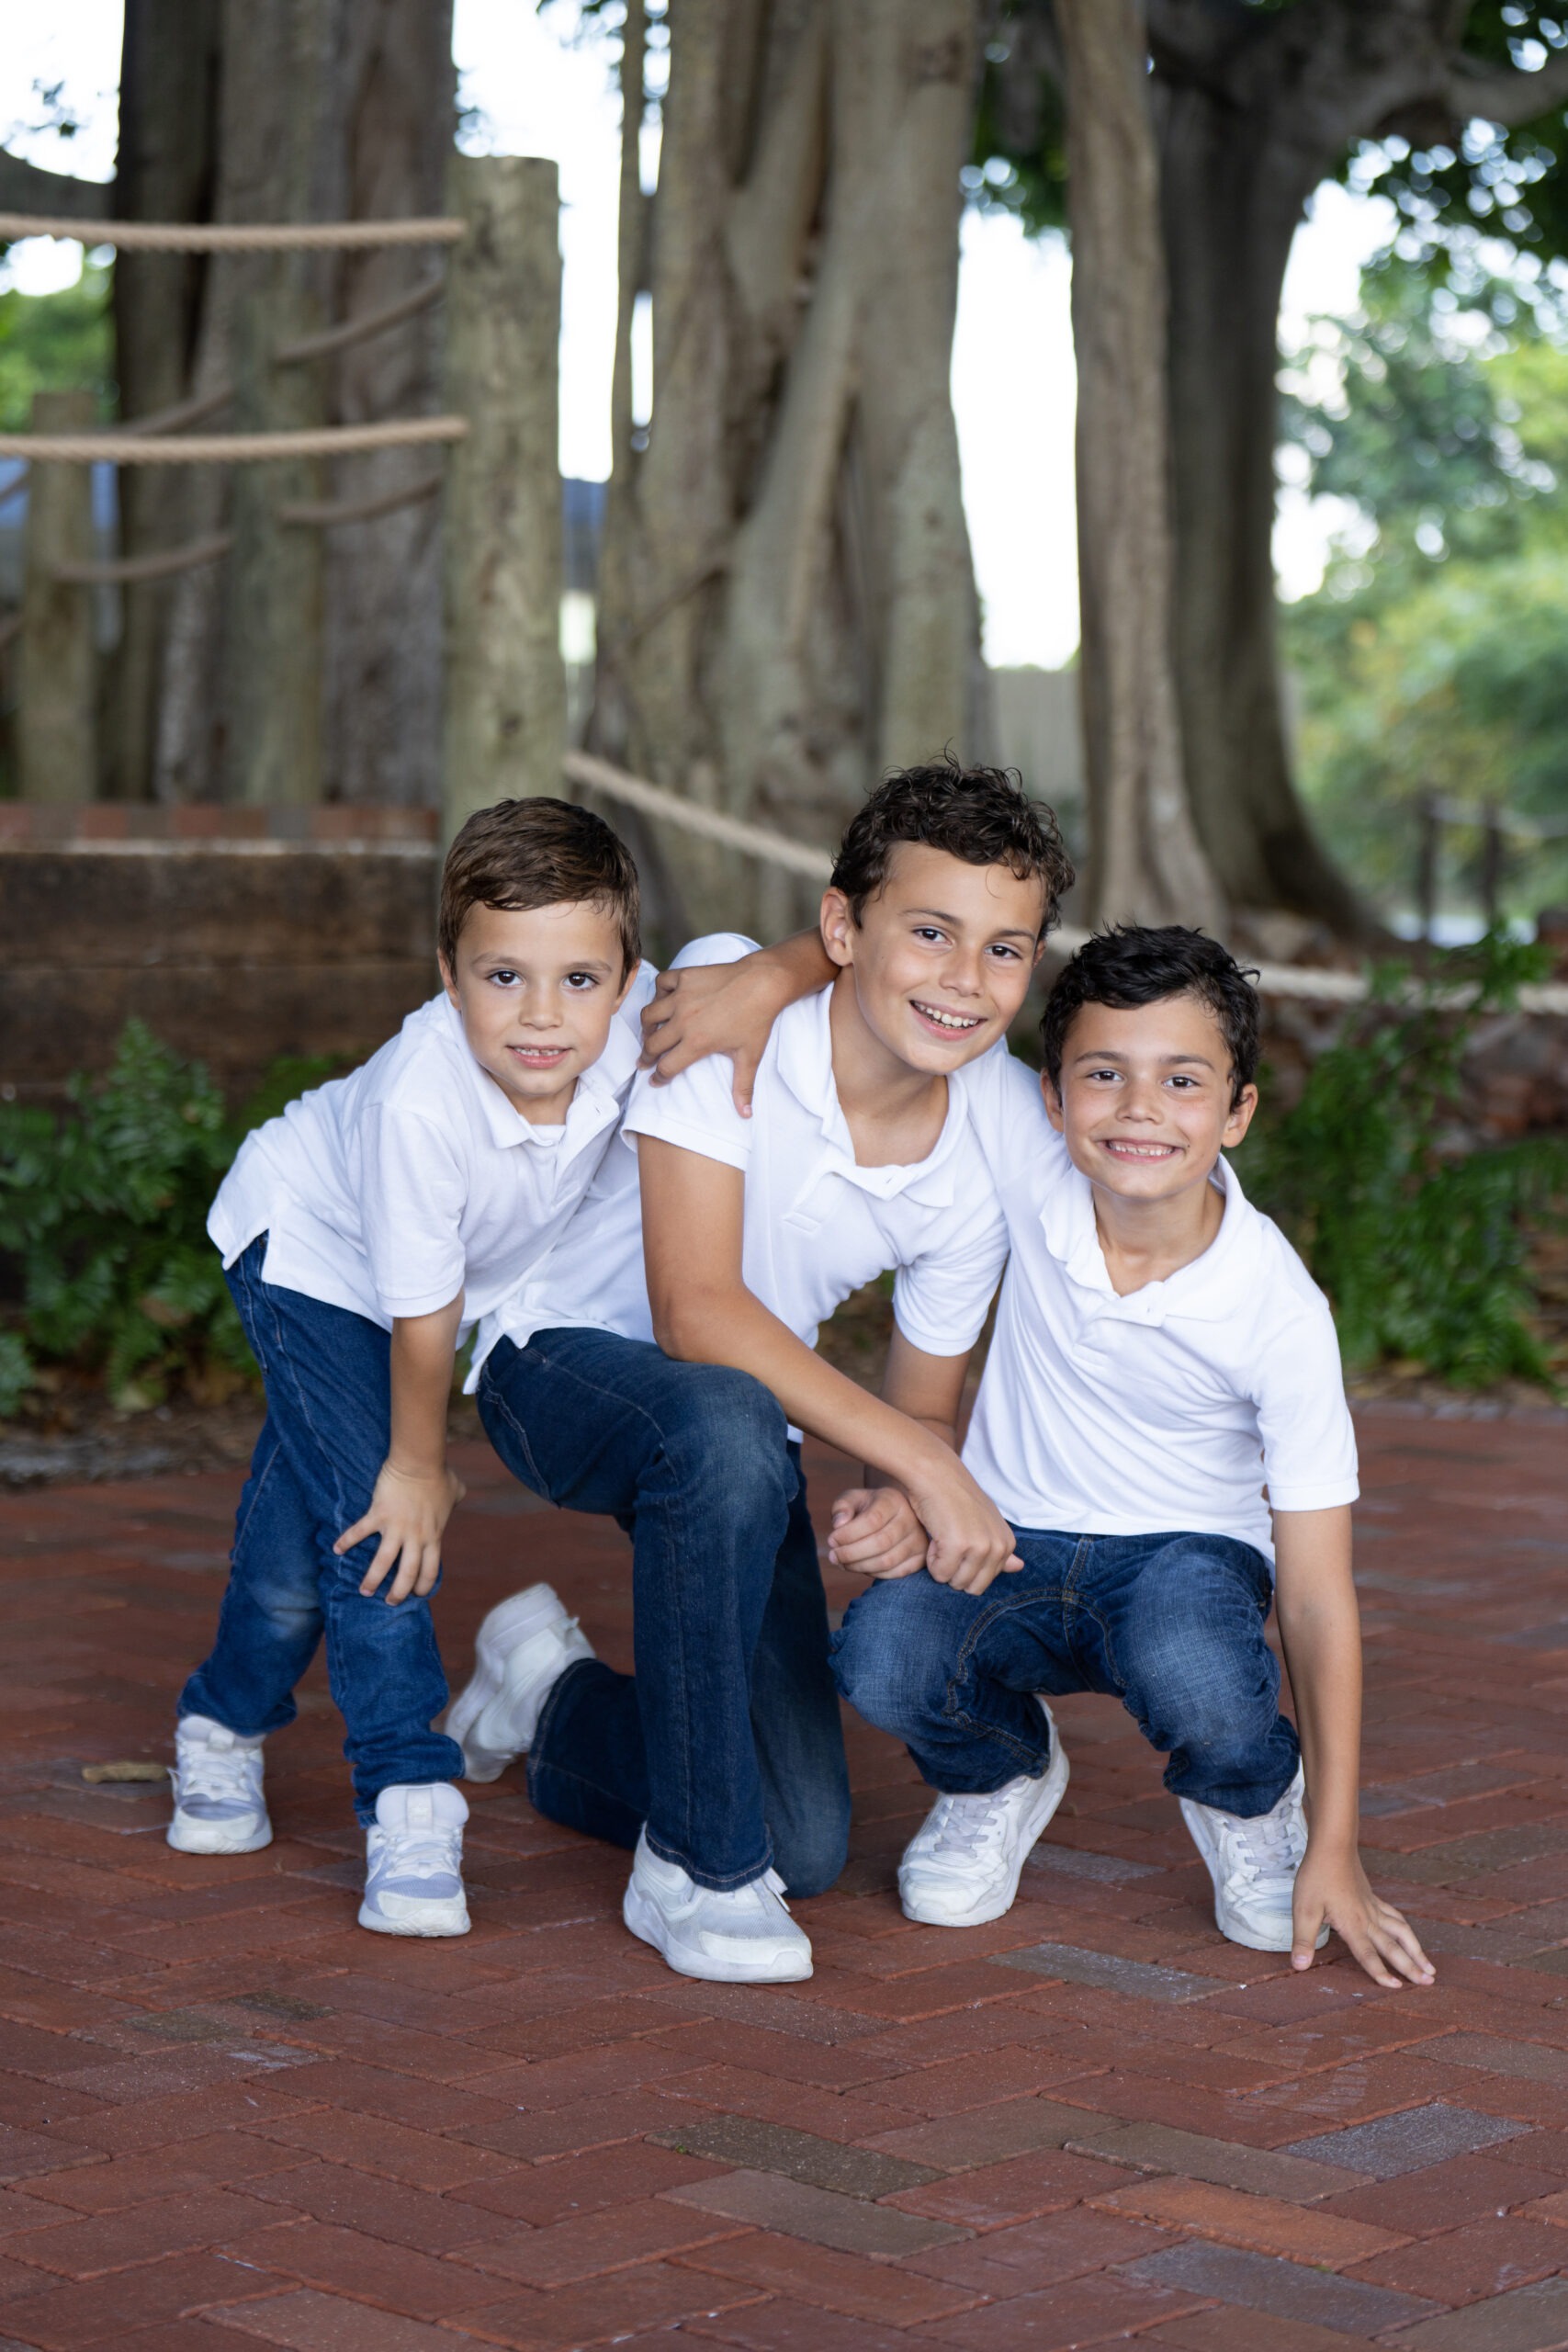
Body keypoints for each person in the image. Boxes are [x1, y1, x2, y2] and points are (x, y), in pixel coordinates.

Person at [446, 763, 1074, 1984]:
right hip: (555, 1364)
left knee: (806, 1835)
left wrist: (907, 1481)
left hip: (735, 1444)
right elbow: (692, 1309)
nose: (961, 978)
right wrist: (930, 1469)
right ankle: (692, 1865)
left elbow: (919, 1398)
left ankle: (547, 1693)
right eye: (929, 932)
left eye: (1003, 950)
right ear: (840, 929)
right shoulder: (738, 994)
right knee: (725, 1412)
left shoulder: (993, 1128)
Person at [170, 797, 814, 1939]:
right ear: (447, 972)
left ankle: (220, 1716)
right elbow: (425, 1323)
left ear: (625, 979)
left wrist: (779, 971)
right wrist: (420, 1467)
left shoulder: (632, 1026)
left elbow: (784, 985)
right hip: (313, 1256)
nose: (542, 1015)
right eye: (501, 976)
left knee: (304, 1528)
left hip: (424, 1284)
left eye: (578, 980)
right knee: (377, 1522)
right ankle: (406, 1787)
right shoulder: (425, 1101)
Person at [830, 925, 1436, 1992]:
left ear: (1238, 1111)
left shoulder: (1278, 1308)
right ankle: (997, 1773)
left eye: (1184, 1080)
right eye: (1103, 1075)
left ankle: (1252, 1798)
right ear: (1053, 1100)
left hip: (1181, 1560)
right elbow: (902, 993)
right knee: (880, 1650)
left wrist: (1340, 1839)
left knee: (1195, 1661)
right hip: (1009, 1542)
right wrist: (756, 980)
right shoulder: (1029, 1154)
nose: (1140, 1108)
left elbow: (1316, 1594)